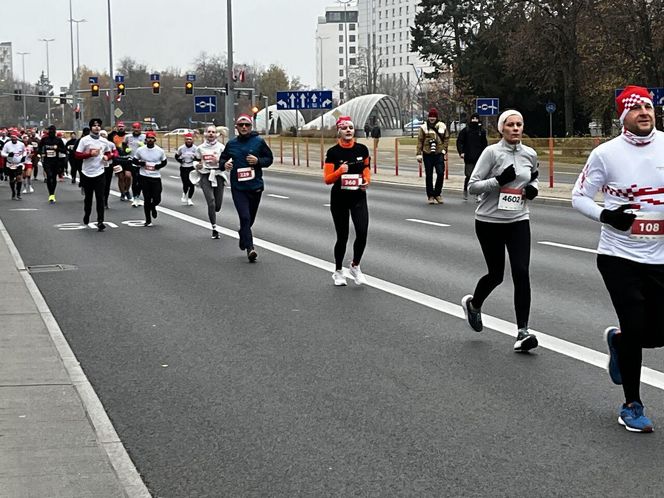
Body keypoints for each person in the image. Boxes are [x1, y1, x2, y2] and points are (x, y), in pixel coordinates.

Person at [572, 85, 664, 433]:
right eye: (636, 108)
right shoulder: (607, 154)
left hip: (660, 256)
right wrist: (606, 216)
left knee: (655, 333)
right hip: (619, 255)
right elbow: (579, 196)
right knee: (637, 325)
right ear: (623, 115)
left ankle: (619, 341)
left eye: (649, 107)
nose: (644, 112)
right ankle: (632, 404)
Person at [461, 109, 539, 352]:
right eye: (511, 125)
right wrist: (498, 181)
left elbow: (533, 178)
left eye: (519, 124)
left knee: (521, 272)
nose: (516, 128)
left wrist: (533, 189)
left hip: (518, 220)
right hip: (489, 222)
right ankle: (474, 304)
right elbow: (472, 187)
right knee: (496, 275)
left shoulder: (530, 154)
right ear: (502, 128)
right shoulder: (491, 153)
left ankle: (523, 331)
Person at [323, 116, 371, 286]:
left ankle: (355, 265)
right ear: (339, 131)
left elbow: (366, 168)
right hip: (339, 198)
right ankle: (338, 271)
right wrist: (339, 171)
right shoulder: (333, 152)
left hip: (358, 197)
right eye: (344, 128)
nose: (348, 130)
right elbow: (327, 179)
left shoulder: (362, 149)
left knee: (362, 232)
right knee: (342, 236)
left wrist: (366, 180)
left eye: (350, 127)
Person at [220, 114, 273, 261]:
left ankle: (243, 233)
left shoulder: (259, 142)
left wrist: (258, 161)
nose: (244, 127)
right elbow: (222, 159)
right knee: (244, 217)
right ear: (236, 127)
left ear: (251, 127)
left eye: (247, 125)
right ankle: (250, 249)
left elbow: (269, 159)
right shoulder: (231, 144)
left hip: (255, 186)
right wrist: (225, 164)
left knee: (249, 220)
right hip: (238, 187)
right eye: (241, 125)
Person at [75, 118, 112, 231]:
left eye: (98, 125)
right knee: (88, 198)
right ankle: (87, 214)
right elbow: (77, 155)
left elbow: (109, 153)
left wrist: (107, 157)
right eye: (94, 125)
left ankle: (100, 221)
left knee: (100, 198)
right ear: (91, 127)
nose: (97, 127)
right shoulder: (84, 140)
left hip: (99, 172)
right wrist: (89, 154)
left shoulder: (104, 141)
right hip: (87, 172)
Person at [193, 126, 227, 237]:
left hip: (218, 175)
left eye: (213, 132)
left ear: (217, 134)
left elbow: (227, 161)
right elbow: (196, 160)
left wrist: (219, 161)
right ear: (205, 134)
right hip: (205, 175)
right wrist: (197, 165)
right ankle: (214, 227)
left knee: (217, 205)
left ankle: (214, 214)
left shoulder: (222, 147)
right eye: (209, 132)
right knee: (211, 202)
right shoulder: (200, 148)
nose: (211, 134)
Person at [133, 131, 167, 227]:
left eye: (152, 138)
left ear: (155, 140)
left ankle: (153, 206)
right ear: (146, 140)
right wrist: (141, 164)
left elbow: (164, 162)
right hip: (144, 176)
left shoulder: (160, 151)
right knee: (147, 198)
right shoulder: (140, 150)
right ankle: (148, 220)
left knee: (157, 198)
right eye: (148, 138)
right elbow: (135, 160)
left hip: (155, 177)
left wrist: (158, 166)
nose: (150, 140)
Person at [416, 108, 449, 204]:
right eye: (430, 116)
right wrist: (418, 153)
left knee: (440, 173)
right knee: (429, 175)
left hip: (439, 153)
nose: (432, 118)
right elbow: (420, 141)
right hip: (427, 154)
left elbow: (446, 138)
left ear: (436, 117)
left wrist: (444, 149)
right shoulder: (424, 127)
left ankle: (437, 194)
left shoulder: (442, 126)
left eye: (433, 117)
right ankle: (430, 195)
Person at [457, 112, 488, 201]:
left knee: (479, 176)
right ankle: (465, 190)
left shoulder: (481, 131)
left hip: (479, 158)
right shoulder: (466, 130)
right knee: (469, 175)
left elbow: (484, 144)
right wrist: (461, 152)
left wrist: (485, 154)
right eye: (473, 118)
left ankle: (478, 194)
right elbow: (459, 141)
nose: (474, 120)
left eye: (476, 119)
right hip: (469, 157)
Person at [38, 125, 66, 204]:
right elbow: (39, 148)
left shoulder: (58, 140)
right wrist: (41, 153)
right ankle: (50, 193)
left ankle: (52, 194)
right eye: (50, 131)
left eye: (53, 131)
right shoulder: (44, 139)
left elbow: (64, 150)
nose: (51, 132)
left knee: (53, 177)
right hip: (47, 161)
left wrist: (57, 149)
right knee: (49, 176)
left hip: (56, 161)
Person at [175, 132, 198, 207]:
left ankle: (190, 199)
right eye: (187, 139)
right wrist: (180, 161)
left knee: (192, 184)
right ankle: (184, 193)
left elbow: (199, 158)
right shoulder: (181, 148)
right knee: (185, 183)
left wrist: (194, 159)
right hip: (184, 167)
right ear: (185, 140)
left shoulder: (195, 148)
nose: (188, 141)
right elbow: (176, 156)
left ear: (192, 140)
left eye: (190, 139)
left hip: (192, 167)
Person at [126, 122, 145, 207]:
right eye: (134, 128)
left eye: (138, 128)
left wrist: (144, 145)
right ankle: (134, 197)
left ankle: (138, 196)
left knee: (140, 181)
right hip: (132, 159)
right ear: (132, 128)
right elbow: (123, 145)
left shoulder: (144, 137)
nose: (136, 129)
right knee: (135, 180)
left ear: (140, 129)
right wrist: (126, 149)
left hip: (142, 160)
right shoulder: (128, 137)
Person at [1, 132, 25, 200]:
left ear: (17, 137)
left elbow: (24, 151)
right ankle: (13, 192)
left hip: (19, 163)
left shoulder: (21, 144)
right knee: (11, 180)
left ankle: (18, 193)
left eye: (15, 137)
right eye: (12, 137)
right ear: (10, 138)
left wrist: (24, 156)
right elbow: (2, 153)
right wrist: (8, 155)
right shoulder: (7, 145)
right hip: (10, 164)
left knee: (19, 177)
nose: (13, 138)